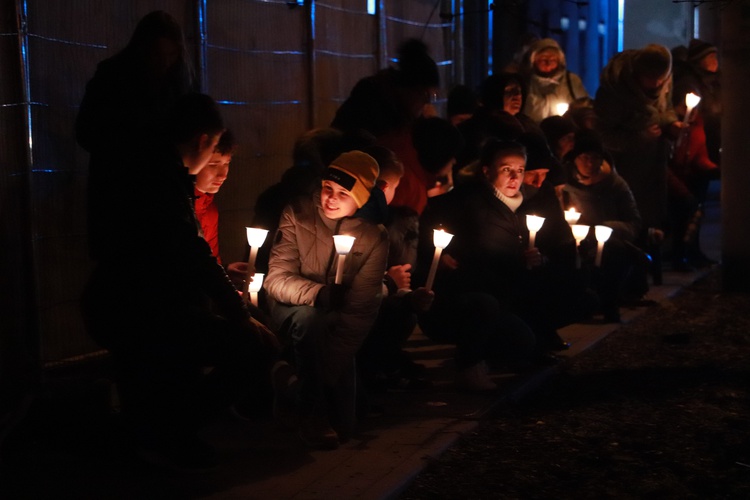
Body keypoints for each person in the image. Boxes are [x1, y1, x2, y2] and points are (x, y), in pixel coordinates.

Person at [80, 93, 282, 471]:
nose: (217, 168)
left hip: (123, 303)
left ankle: (156, 437)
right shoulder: (164, 181)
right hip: (139, 310)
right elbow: (192, 251)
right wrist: (239, 314)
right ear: (203, 140)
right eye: (215, 155)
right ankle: (164, 434)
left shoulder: (144, 168)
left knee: (158, 376)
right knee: (253, 348)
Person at [264, 151, 388, 450]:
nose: (330, 199)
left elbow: (360, 311)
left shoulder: (373, 237)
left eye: (343, 193)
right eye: (327, 188)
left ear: (359, 199)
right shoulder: (298, 212)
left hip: (335, 322)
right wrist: (319, 294)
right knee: (311, 320)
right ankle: (312, 414)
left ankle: (286, 381)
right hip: (289, 306)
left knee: (348, 423)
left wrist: (329, 372)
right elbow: (276, 279)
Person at [76, 10, 197, 260]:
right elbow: (86, 132)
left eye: (171, 56)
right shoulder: (112, 80)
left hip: (162, 198)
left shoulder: (177, 84)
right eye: (157, 55)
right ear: (142, 50)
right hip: (118, 197)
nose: (164, 63)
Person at [595, 43, 682, 285]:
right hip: (627, 168)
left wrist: (671, 123)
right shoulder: (614, 92)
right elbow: (603, 135)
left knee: (652, 218)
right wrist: (639, 137)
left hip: (654, 165)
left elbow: (660, 111)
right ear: (636, 74)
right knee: (631, 220)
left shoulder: (664, 82)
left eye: (661, 80)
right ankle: (628, 280)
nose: (656, 85)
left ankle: (644, 274)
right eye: (650, 79)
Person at [562, 130, 643, 322]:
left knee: (616, 253)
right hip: (573, 239)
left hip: (608, 241)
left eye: (595, 157)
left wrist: (603, 229)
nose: (590, 163)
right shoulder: (564, 183)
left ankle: (610, 305)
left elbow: (633, 222)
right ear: (575, 159)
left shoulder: (615, 184)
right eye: (585, 157)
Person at [520, 38, 589, 123]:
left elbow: (584, 108)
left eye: (553, 60)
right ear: (533, 61)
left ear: (559, 61)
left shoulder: (571, 80)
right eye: (543, 59)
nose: (548, 63)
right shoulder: (526, 82)